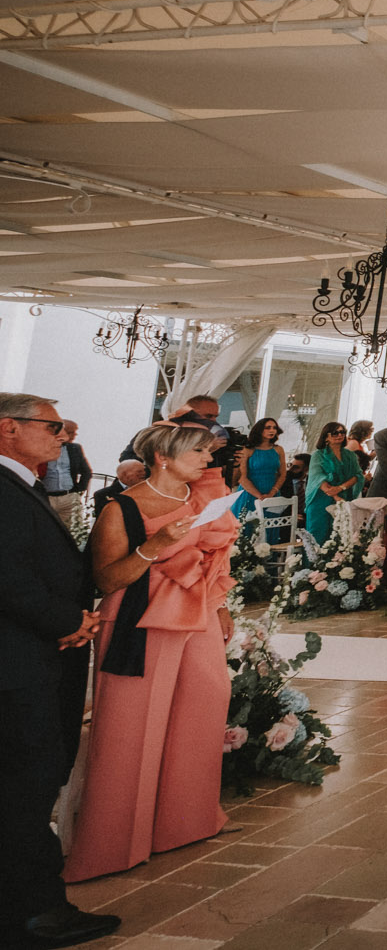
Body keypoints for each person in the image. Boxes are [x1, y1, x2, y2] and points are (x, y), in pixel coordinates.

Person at [67, 422, 236, 880]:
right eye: (199, 451)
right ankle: (114, 844)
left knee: (207, 698)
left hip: (196, 609)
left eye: (208, 451)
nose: (208, 459)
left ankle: (184, 822)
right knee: (131, 726)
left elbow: (214, 557)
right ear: (163, 456)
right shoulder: (120, 507)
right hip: (138, 618)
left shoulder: (200, 498)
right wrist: (154, 547)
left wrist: (219, 606)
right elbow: (105, 580)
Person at [0, 393, 118, 950]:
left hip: (29, 650)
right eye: (52, 426)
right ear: (9, 429)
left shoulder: (18, 484)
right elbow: (8, 577)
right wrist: (67, 620)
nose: (63, 435)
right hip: (20, 664)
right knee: (28, 785)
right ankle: (36, 914)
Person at [302, 422, 361, 543]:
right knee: (318, 536)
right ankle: (314, 562)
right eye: (335, 433)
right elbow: (317, 478)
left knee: (340, 537)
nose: (339, 435)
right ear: (326, 437)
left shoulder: (350, 455)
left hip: (343, 497)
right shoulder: (318, 455)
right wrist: (335, 495)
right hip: (321, 499)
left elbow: (357, 475)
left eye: (342, 432)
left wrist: (341, 488)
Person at [38, 419, 91, 523]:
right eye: (71, 432)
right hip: (46, 498)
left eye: (75, 432)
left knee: (72, 533)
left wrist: (78, 491)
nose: (75, 435)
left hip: (69, 498)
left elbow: (86, 471)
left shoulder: (75, 448)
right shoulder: (41, 447)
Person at [235, 418, 286, 516]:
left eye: (274, 428)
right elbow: (242, 477)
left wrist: (271, 493)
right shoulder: (247, 449)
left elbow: (282, 474)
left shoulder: (279, 449)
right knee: (248, 527)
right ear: (259, 430)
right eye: (268, 428)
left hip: (272, 493)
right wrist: (259, 496)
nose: (272, 430)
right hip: (250, 493)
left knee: (271, 525)